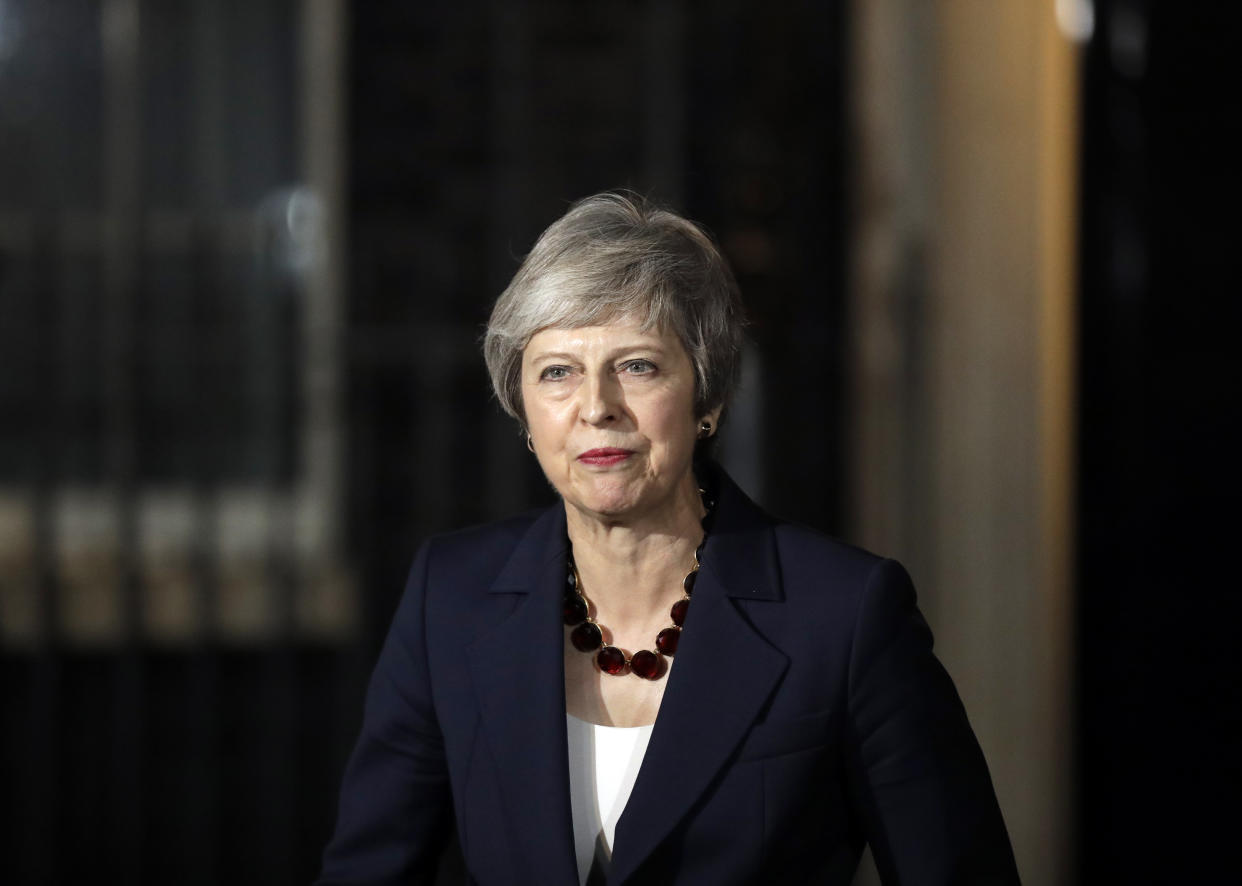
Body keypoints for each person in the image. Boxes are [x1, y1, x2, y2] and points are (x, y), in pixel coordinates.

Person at [318, 193, 1020, 885]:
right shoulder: (452, 596)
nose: (596, 407)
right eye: (557, 371)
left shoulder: (845, 615)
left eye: (637, 366)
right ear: (524, 410)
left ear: (706, 396)